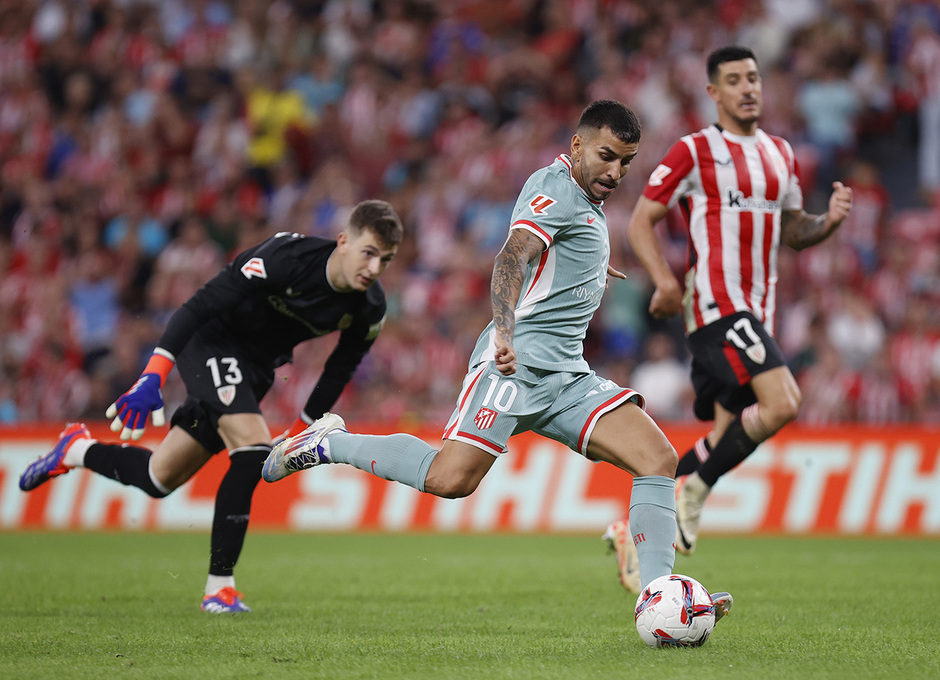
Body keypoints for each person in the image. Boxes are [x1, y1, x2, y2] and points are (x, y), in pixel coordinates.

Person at [261, 99, 733, 621]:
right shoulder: (554, 187)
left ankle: (662, 596)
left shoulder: (584, 204)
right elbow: (513, 254)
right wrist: (504, 332)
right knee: (450, 479)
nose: (616, 171)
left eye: (626, 161)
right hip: (517, 365)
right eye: (606, 156)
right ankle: (329, 442)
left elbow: (554, 255)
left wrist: (592, 267)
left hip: (566, 376)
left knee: (658, 460)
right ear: (576, 144)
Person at [19, 200, 404, 613]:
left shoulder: (369, 308)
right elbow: (199, 306)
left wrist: (300, 430)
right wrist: (153, 373)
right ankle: (220, 587)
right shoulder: (284, 258)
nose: (375, 268)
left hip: (254, 369)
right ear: (344, 241)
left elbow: (339, 370)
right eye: (369, 253)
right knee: (253, 448)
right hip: (212, 341)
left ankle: (74, 449)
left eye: (386, 260)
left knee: (159, 477)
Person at [604, 46, 853, 592]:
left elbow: (792, 231)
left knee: (723, 436)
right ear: (714, 93)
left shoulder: (781, 154)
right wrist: (666, 281)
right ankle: (694, 494)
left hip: (758, 310)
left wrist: (828, 222)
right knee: (784, 401)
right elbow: (643, 220)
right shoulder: (695, 151)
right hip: (715, 306)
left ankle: (636, 528)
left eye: (754, 78)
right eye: (735, 80)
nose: (748, 88)